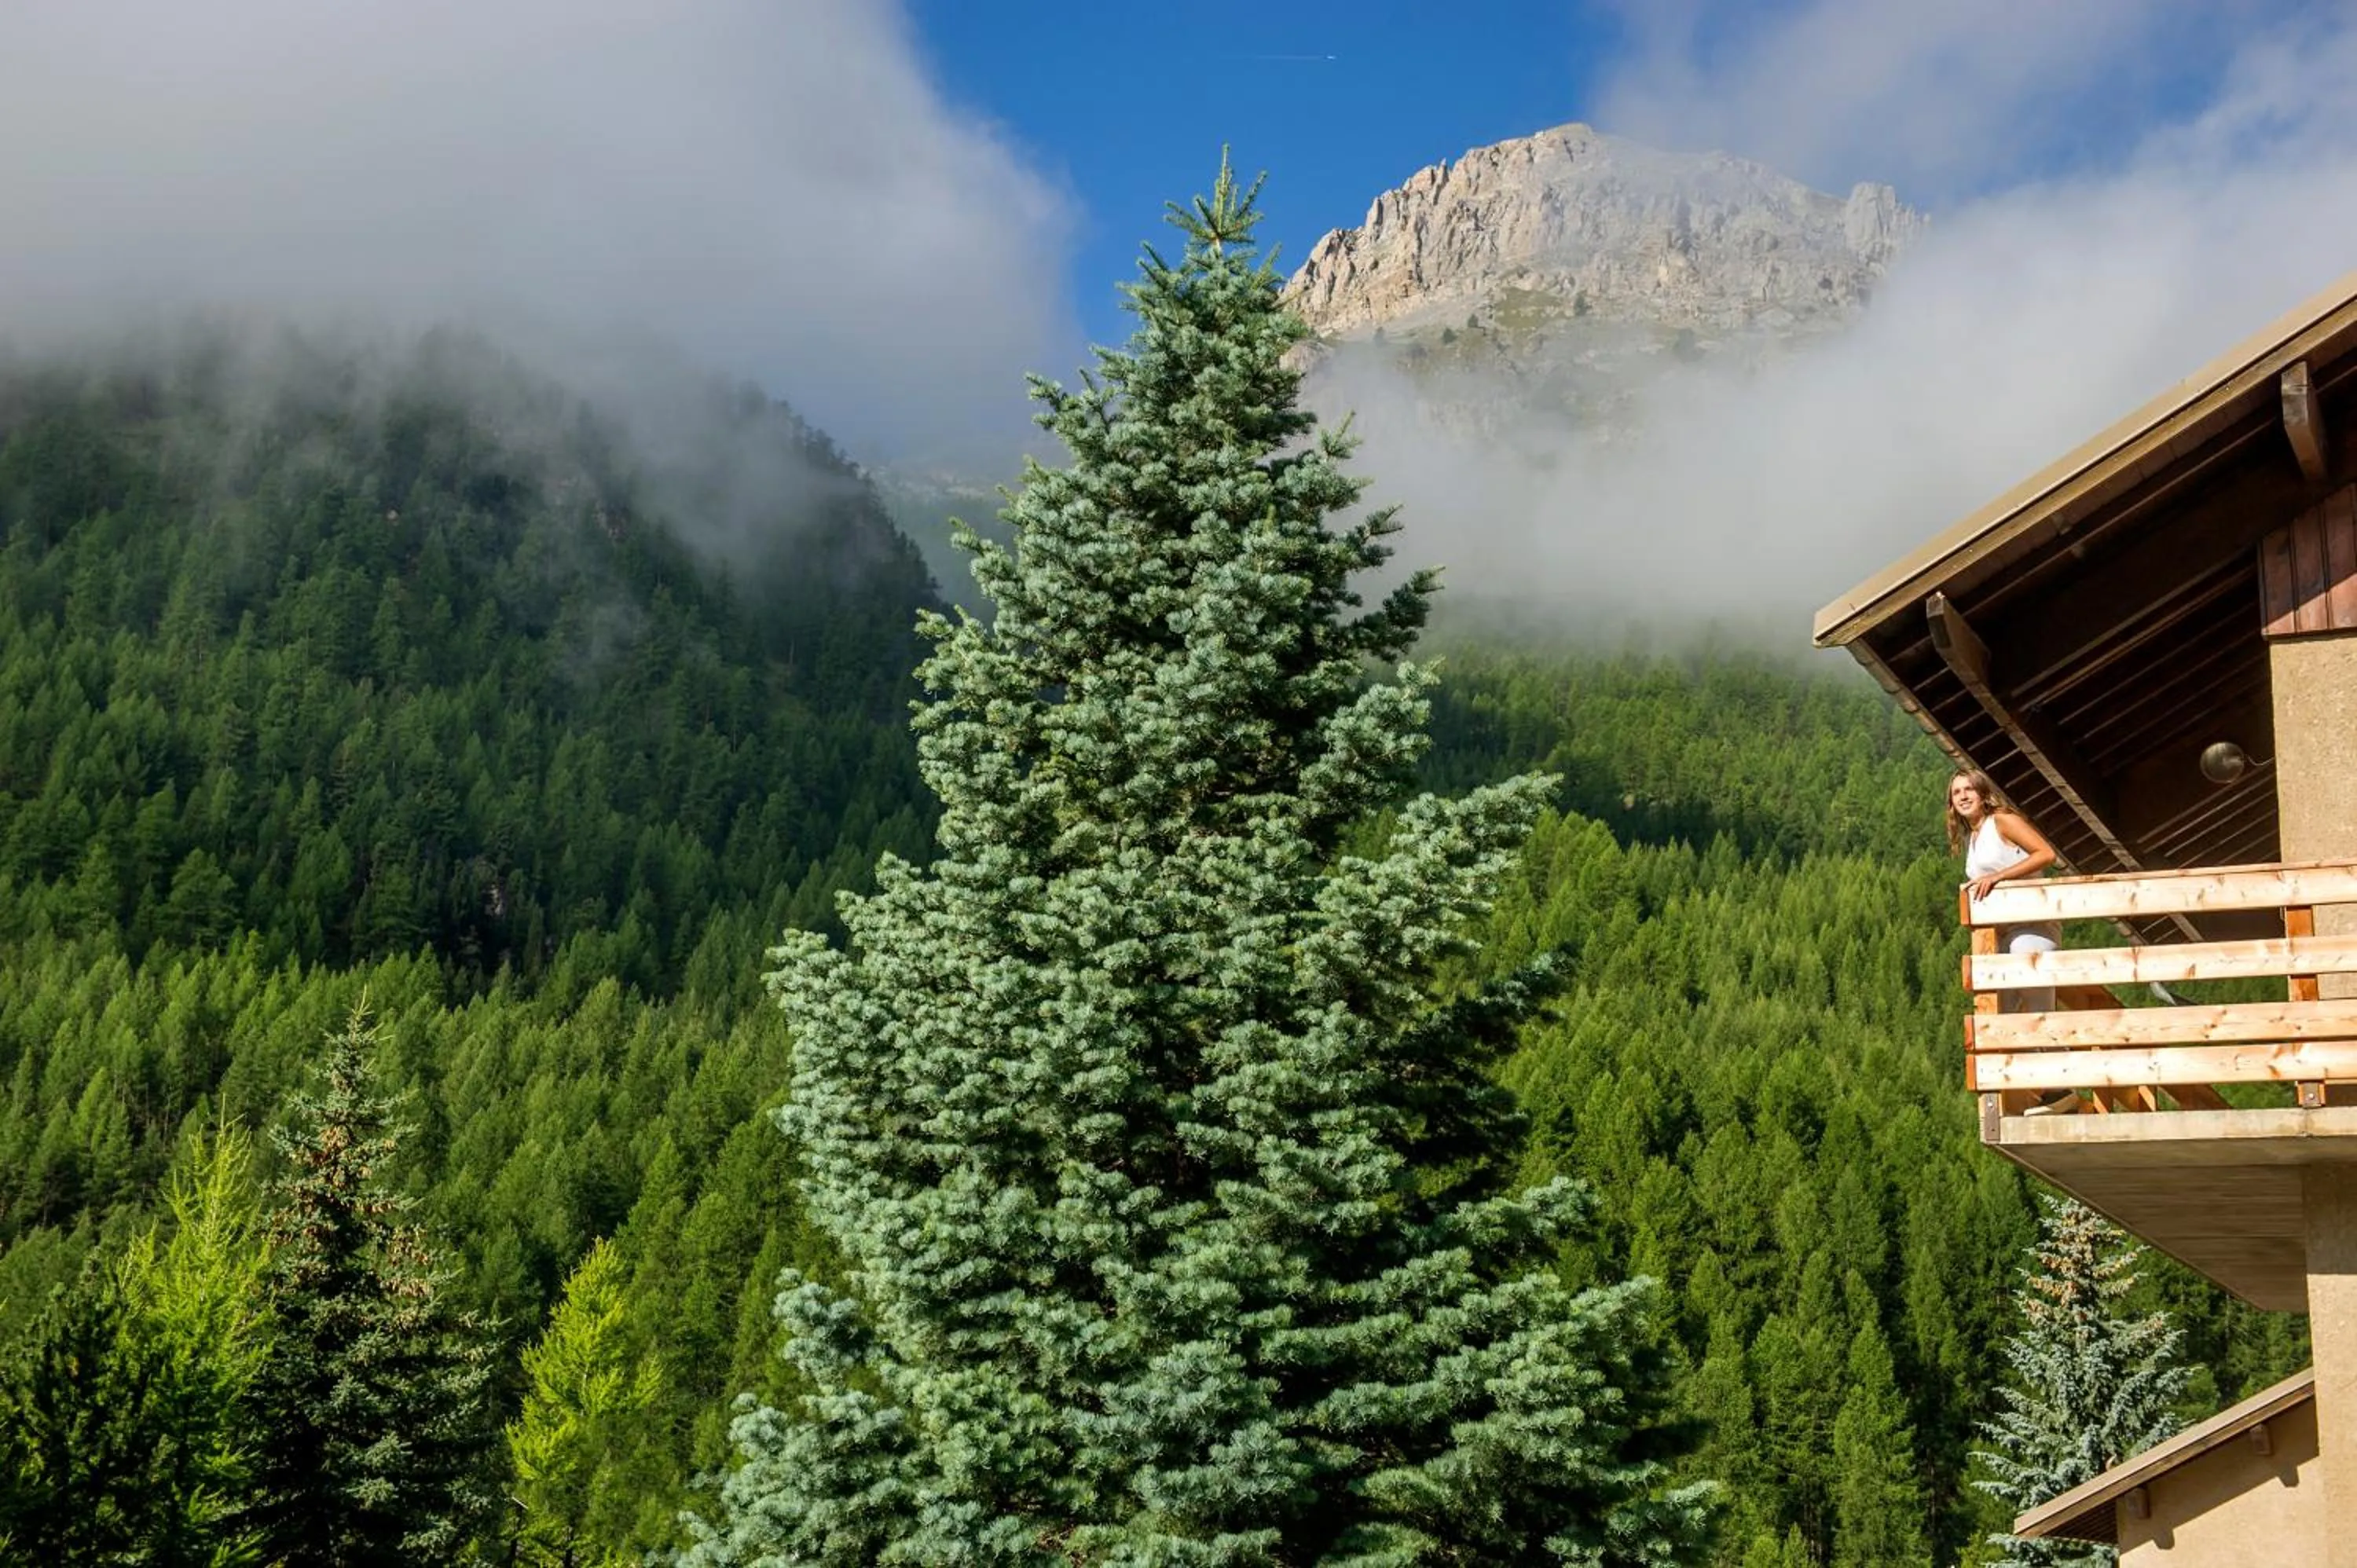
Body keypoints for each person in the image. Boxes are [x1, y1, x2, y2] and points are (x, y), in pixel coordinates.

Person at [1949, 770, 2065, 1014]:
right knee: (2000, 1015)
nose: (1963, 796)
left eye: (1969, 789)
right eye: (1957, 792)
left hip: (2032, 928)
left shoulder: (2001, 820)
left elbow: (2046, 854)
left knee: (2038, 1014)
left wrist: (1999, 876)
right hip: (1999, 936)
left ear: (1983, 794)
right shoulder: (1973, 836)